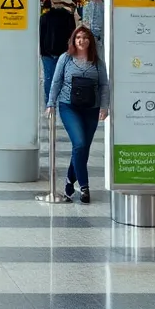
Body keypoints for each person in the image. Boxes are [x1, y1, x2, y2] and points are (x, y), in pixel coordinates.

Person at [45, 27, 110, 203]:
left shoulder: (97, 62)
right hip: (69, 107)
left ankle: (68, 182)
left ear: (90, 41)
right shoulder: (65, 59)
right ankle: (84, 186)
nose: (81, 40)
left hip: (91, 108)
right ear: (73, 40)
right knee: (79, 143)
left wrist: (104, 107)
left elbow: (104, 85)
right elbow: (56, 81)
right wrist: (51, 102)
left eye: (85, 37)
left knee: (83, 149)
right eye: (78, 37)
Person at [38, 0, 76, 104]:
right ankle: (62, 102)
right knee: (63, 78)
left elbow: (41, 35)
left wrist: (42, 51)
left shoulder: (44, 17)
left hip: (48, 53)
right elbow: (72, 36)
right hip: (63, 53)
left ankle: (49, 103)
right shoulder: (69, 17)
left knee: (49, 78)